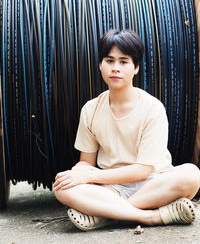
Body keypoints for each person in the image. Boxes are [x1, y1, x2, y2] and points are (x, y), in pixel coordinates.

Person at [53, 30, 200, 231]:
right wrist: (77, 174)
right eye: (109, 60)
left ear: (136, 68)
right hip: (111, 188)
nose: (115, 68)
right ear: (100, 65)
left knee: (192, 175)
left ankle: (106, 215)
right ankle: (150, 217)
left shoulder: (152, 108)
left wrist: (89, 176)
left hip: (153, 184)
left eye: (124, 62)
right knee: (61, 188)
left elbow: (142, 170)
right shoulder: (90, 109)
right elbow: (86, 162)